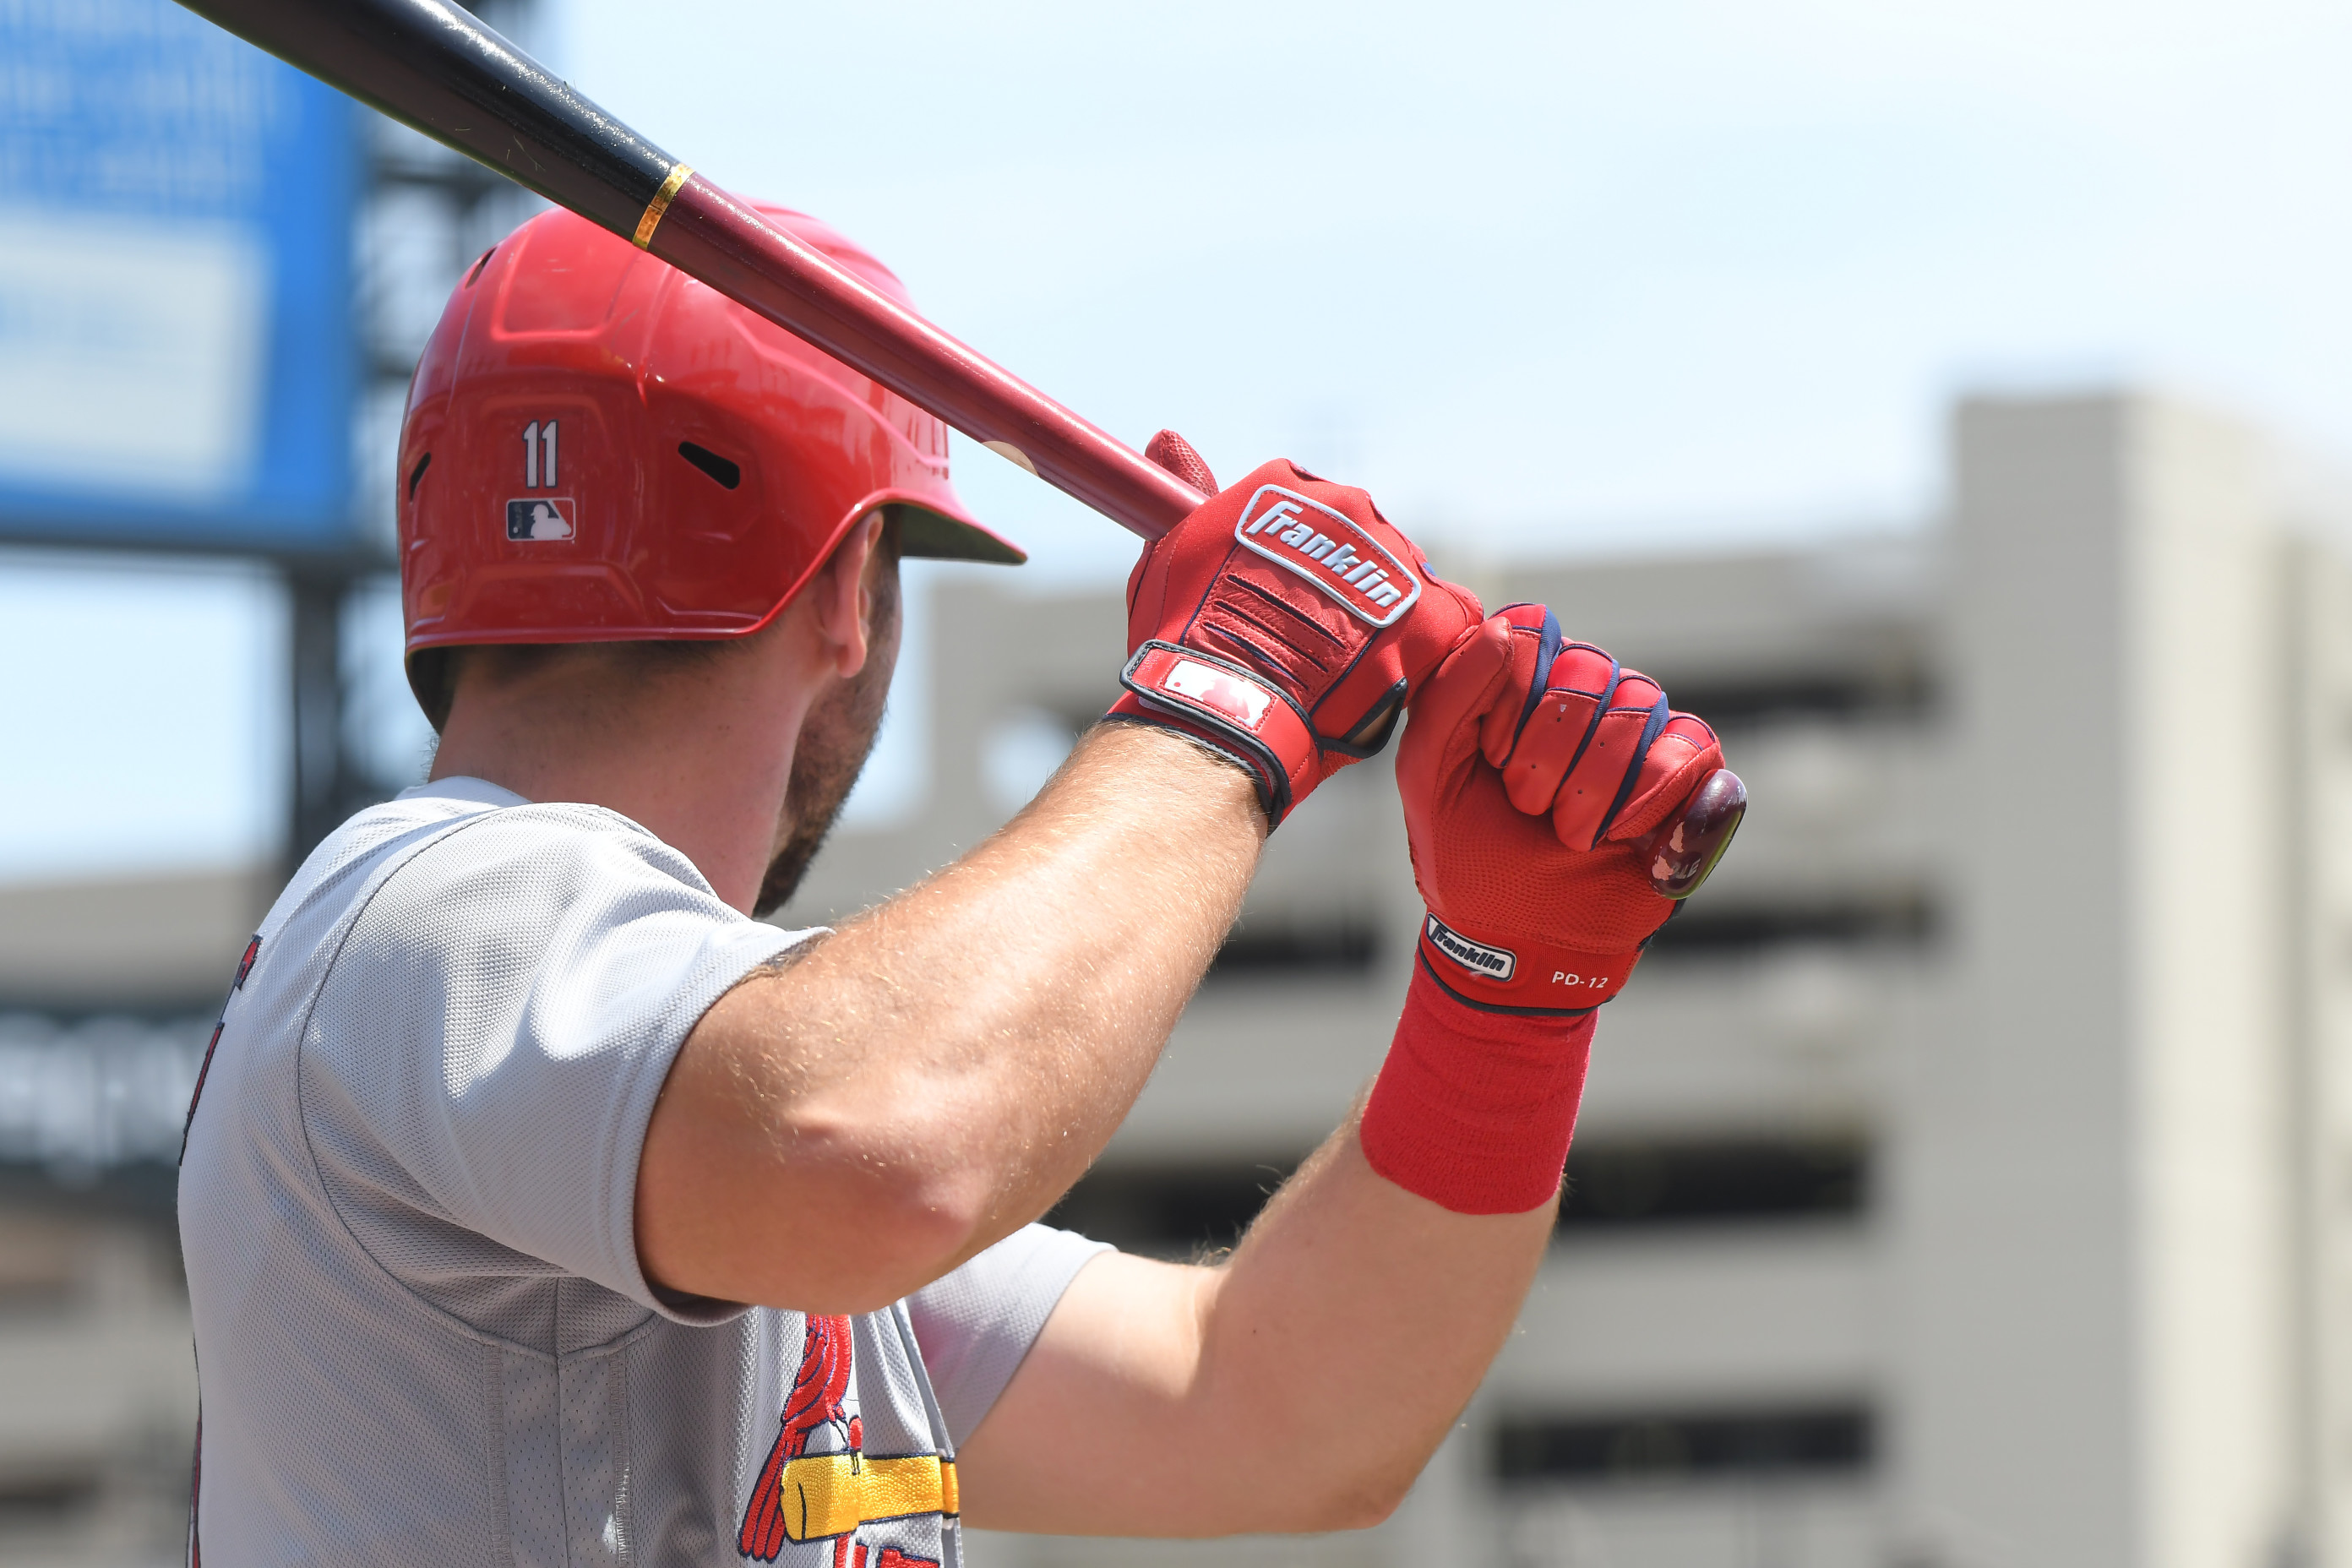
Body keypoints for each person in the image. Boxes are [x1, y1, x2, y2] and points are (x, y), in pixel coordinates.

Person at [177, 204, 1727, 1565]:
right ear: (850, 590)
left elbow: (1279, 1413)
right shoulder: (436, 910)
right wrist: (1230, 688)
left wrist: (1505, 997)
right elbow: (875, 1150)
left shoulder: (667, 1096)